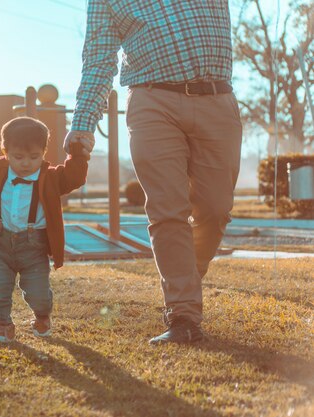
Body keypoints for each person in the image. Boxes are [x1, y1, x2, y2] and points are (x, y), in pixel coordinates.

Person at [65, 1, 242, 344]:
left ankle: (185, 281)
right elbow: (99, 59)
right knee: (167, 210)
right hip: (152, 101)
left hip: (217, 98)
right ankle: (183, 314)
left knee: (216, 208)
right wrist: (83, 122)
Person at [0, 117, 88, 343]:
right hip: (0, 244)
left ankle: (42, 316)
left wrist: (78, 151)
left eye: (34, 157)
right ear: (5, 151)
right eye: (18, 157)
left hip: (34, 248)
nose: (26, 163)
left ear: (44, 152)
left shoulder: (51, 177)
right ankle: (2, 326)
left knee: (38, 293)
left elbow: (75, 176)